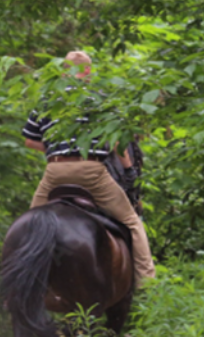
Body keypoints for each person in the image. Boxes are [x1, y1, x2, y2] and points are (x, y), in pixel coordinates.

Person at [22, 50, 156, 282]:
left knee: (28, 224)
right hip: (91, 172)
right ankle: (147, 283)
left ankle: (19, 282)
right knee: (132, 222)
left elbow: (29, 140)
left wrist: (58, 152)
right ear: (88, 71)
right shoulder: (100, 100)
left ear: (64, 70)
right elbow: (117, 144)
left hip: (55, 173)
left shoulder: (48, 100)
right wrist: (128, 171)